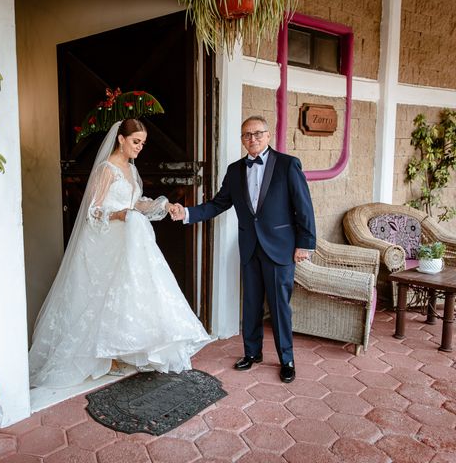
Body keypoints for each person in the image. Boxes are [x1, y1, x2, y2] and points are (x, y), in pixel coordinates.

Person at [29, 118, 210, 388]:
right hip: (106, 240)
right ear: (121, 139)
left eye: (143, 143)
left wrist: (164, 204)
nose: (140, 148)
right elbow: (93, 210)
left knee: (125, 294)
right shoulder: (107, 169)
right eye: (136, 142)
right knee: (100, 295)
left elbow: (135, 202)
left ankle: (119, 350)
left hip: (129, 240)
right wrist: (120, 214)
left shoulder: (131, 169)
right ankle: (100, 356)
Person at [170, 116, 315, 383]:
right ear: (242, 139)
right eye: (247, 135)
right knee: (250, 303)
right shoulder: (235, 170)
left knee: (280, 306)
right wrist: (187, 213)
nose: (253, 139)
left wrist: (304, 244)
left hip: (281, 248)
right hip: (250, 246)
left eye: (258, 134)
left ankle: (287, 359)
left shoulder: (287, 165)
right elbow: (218, 204)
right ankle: (252, 353)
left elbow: (303, 207)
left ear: (268, 136)